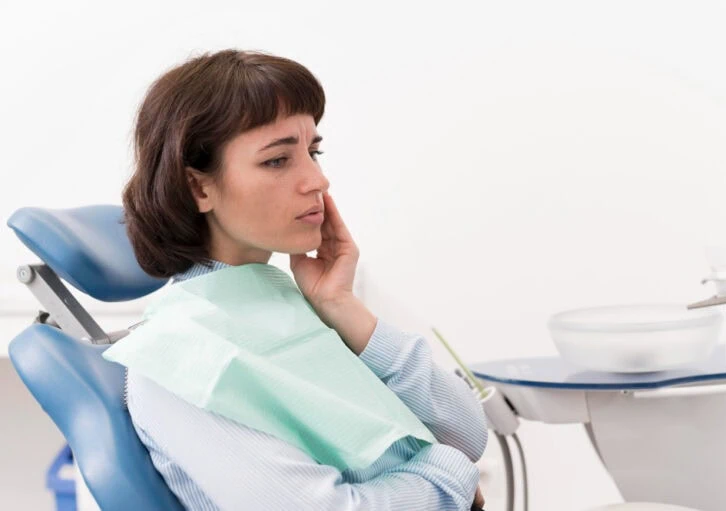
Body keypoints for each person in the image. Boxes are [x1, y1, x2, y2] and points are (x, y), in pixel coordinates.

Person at [120, 48, 488, 510]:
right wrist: (449, 473)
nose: (317, 180)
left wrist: (341, 305)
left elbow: (468, 433)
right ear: (198, 187)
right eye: (277, 161)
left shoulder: (285, 306)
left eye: (313, 152)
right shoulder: (179, 358)